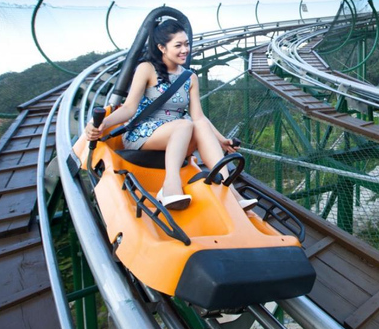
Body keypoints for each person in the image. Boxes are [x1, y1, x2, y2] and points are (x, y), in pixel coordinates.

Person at [84, 19, 256, 211]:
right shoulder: (147, 69)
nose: (185, 50)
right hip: (144, 134)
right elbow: (129, 108)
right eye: (178, 45)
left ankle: (230, 189)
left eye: (187, 44)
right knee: (185, 124)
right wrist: (102, 124)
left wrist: (222, 140)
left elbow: (199, 117)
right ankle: (169, 187)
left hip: (179, 135)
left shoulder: (190, 77)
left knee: (194, 124)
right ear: (162, 48)